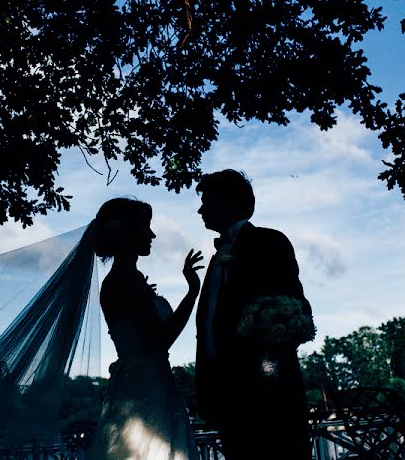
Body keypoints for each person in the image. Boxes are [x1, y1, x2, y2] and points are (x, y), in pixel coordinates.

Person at [194, 170, 313, 459]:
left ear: (230, 202)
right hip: (227, 397)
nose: (200, 209)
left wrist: (267, 367)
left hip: (267, 396)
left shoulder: (269, 242)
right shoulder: (216, 256)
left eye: (207, 202)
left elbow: (294, 306)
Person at [88, 198, 204, 460]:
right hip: (149, 388)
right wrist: (192, 292)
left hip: (136, 384)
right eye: (145, 227)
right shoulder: (127, 280)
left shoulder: (123, 280)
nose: (151, 234)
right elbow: (161, 339)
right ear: (127, 234)